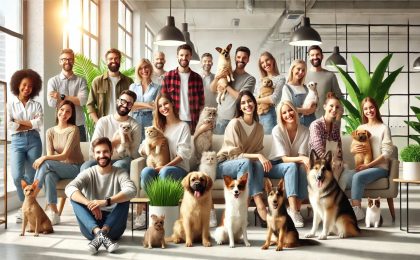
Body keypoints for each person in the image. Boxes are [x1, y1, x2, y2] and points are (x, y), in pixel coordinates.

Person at [65, 137, 137, 254]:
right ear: (94, 154)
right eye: (98, 152)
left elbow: (131, 190)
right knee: (75, 198)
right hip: (91, 227)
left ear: (111, 153)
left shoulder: (120, 172)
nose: (102, 155)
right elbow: (69, 188)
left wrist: (105, 202)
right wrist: (89, 203)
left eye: (105, 151)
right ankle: (100, 233)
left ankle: (101, 234)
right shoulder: (88, 172)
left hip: (113, 226)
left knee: (125, 198)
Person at [216, 90, 270, 227]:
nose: (247, 105)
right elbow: (234, 155)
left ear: (255, 103)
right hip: (225, 165)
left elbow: (257, 153)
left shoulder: (259, 128)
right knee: (247, 162)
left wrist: (258, 156)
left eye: (250, 101)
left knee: (256, 165)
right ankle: (259, 205)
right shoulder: (235, 123)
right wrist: (258, 155)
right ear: (240, 107)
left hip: (246, 166)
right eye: (243, 103)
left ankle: (245, 209)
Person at [340, 97, 394, 221]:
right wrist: (355, 150)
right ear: (363, 111)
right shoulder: (361, 127)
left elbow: (387, 153)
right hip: (363, 166)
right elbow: (353, 149)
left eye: (371, 107)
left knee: (358, 177)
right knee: (344, 176)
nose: (369, 111)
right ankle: (340, 209)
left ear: (376, 108)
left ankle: (357, 211)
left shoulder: (384, 128)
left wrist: (368, 166)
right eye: (365, 109)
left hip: (380, 168)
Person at [32, 100, 84, 225]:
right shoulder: (50, 131)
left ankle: (32, 195)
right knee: (49, 175)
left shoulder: (74, 130)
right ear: (57, 111)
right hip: (60, 168)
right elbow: (50, 156)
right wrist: (46, 158)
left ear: (71, 115)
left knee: (46, 163)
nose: (64, 113)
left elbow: (64, 155)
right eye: (61, 110)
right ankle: (54, 213)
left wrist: (43, 158)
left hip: (74, 168)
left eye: (68, 111)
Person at [7, 69, 43, 223]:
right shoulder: (10, 104)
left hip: (34, 141)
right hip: (17, 141)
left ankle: (29, 209)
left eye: (30, 86)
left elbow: (39, 123)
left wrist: (18, 122)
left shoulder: (37, 105)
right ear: (18, 85)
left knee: (31, 177)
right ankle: (24, 205)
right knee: (16, 176)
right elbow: (9, 125)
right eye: (24, 85)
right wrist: (29, 123)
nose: (27, 88)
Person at [266, 101, 309, 227]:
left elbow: (302, 157)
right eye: (284, 112)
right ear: (280, 116)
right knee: (292, 166)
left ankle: (295, 209)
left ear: (295, 111)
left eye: (290, 110)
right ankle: (294, 210)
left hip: (294, 164)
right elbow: (284, 159)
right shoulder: (277, 130)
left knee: (301, 168)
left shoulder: (305, 131)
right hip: (274, 166)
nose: (288, 114)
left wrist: (305, 160)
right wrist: (304, 159)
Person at [139, 93, 192, 190]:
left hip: (178, 168)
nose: (163, 108)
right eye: (160, 106)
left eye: (166, 103)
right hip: (157, 165)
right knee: (146, 172)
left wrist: (164, 166)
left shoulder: (183, 126)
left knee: (165, 172)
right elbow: (142, 149)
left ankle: (165, 203)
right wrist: (151, 145)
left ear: (172, 104)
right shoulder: (157, 127)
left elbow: (183, 154)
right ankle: (153, 202)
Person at [81, 90, 141, 172]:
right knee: (86, 166)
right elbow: (93, 146)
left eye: (129, 104)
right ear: (117, 101)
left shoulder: (135, 125)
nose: (125, 105)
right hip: (102, 157)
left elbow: (134, 151)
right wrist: (116, 141)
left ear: (132, 106)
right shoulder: (103, 121)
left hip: (123, 159)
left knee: (119, 166)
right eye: (123, 101)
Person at [210, 46, 256, 134]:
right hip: (220, 118)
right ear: (235, 58)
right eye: (238, 57)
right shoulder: (225, 72)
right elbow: (212, 89)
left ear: (248, 60)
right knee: (219, 147)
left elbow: (242, 98)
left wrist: (226, 86)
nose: (241, 60)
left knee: (236, 147)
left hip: (237, 121)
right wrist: (217, 78)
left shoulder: (250, 79)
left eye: (244, 58)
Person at [161, 44, 204, 133]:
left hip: (192, 121)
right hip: (173, 120)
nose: (184, 58)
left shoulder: (197, 78)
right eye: (181, 55)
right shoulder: (168, 76)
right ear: (177, 56)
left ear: (190, 56)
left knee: (190, 146)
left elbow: (201, 103)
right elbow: (163, 100)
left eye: (187, 55)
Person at [47, 48, 88, 141]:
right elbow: (52, 103)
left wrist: (61, 96)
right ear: (60, 62)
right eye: (64, 59)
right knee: (61, 154)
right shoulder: (53, 81)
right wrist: (74, 99)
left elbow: (83, 101)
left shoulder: (81, 81)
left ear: (73, 61)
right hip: (61, 126)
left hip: (78, 125)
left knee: (80, 154)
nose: (67, 62)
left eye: (70, 59)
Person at [86, 48, 133, 123]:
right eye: (110, 59)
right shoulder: (97, 81)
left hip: (124, 123)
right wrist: (98, 122)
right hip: (104, 122)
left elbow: (133, 104)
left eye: (116, 58)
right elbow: (90, 105)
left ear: (120, 60)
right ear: (106, 61)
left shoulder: (128, 81)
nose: (113, 61)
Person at [309, 92, 344, 180]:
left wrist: (339, 160)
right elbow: (319, 151)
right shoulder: (316, 125)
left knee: (345, 172)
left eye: (337, 107)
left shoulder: (335, 127)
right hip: (318, 163)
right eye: (331, 106)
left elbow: (339, 149)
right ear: (325, 106)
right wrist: (331, 163)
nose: (334, 109)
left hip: (333, 162)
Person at [305, 45, 343, 118]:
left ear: (322, 56)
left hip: (326, 119)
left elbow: (339, 98)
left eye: (317, 54)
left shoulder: (330, 75)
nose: (315, 57)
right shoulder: (303, 76)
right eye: (312, 55)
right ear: (309, 57)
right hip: (306, 119)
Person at [129, 58, 160, 141]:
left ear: (150, 68)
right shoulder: (133, 86)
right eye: (140, 68)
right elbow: (130, 106)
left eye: (146, 67)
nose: (144, 70)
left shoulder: (157, 87)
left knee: (149, 146)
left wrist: (137, 104)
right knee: (135, 146)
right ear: (138, 71)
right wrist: (147, 105)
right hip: (135, 120)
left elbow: (156, 106)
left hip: (150, 120)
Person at [255, 51, 286, 134]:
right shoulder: (260, 80)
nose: (265, 64)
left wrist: (256, 100)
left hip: (270, 114)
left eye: (267, 60)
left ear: (273, 60)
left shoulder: (280, 79)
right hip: (257, 115)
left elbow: (274, 99)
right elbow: (254, 96)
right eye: (262, 62)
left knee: (268, 141)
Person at [281, 59, 317, 127]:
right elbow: (288, 109)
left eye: (303, 70)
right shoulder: (286, 88)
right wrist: (306, 110)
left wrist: (314, 107)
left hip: (312, 123)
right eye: (298, 69)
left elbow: (315, 104)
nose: (301, 72)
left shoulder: (306, 87)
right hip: (297, 124)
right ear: (292, 69)